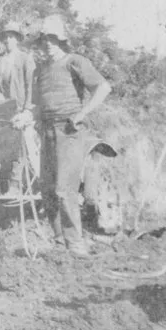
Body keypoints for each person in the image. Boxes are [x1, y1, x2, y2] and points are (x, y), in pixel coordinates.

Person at [32, 14, 111, 257]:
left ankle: (76, 244)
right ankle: (59, 241)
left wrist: (81, 113)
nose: (48, 44)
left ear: (62, 41)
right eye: (45, 39)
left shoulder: (74, 61)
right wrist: (27, 118)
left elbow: (103, 87)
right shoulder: (41, 70)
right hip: (46, 131)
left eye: (53, 39)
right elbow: (38, 104)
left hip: (70, 131)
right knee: (46, 188)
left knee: (64, 189)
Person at [0, 21, 40, 197]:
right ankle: (2, 188)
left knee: (20, 144)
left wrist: (27, 111)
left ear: (17, 39)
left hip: (21, 110)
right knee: (2, 149)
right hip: (1, 111)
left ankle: (16, 185)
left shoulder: (25, 59)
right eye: (5, 37)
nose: (8, 40)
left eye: (11, 36)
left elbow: (32, 87)